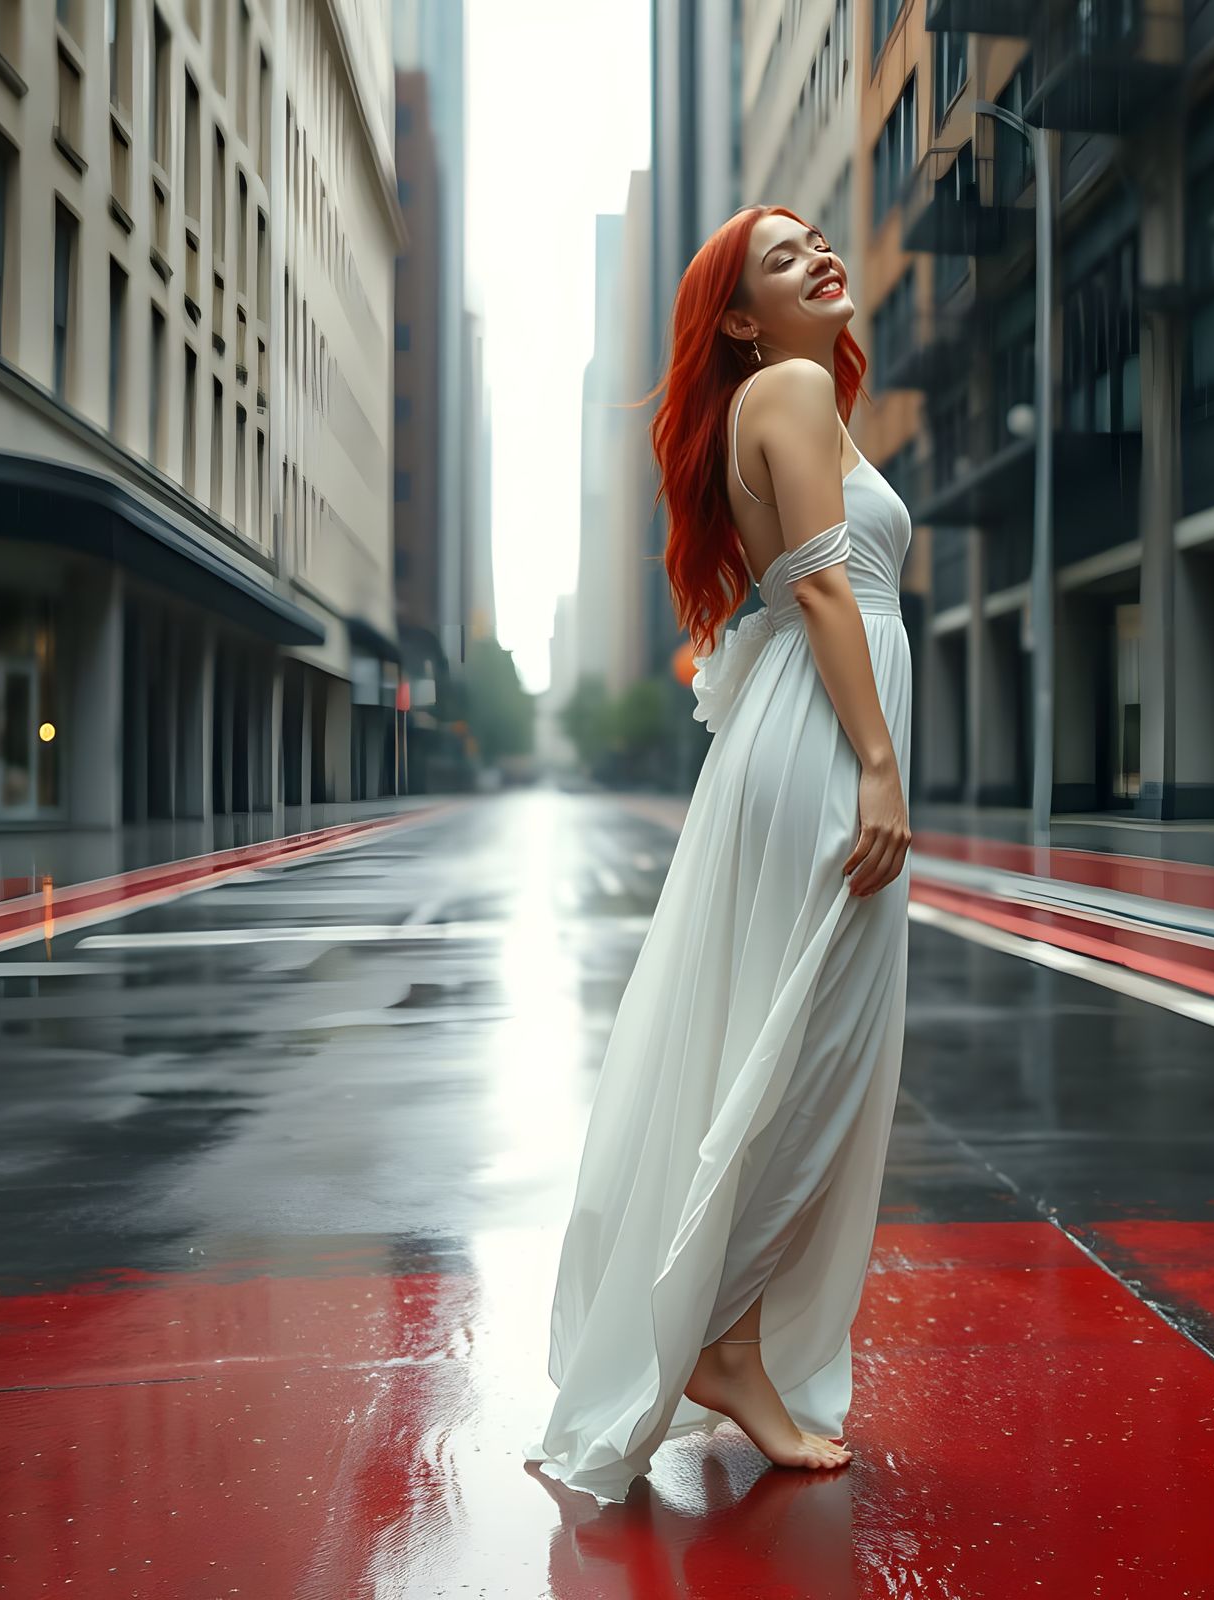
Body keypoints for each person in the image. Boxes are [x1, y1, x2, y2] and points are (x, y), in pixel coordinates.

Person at [524, 204, 913, 1502]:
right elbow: (814, 586)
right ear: (741, 318)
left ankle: (730, 1332)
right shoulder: (790, 385)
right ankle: (726, 1333)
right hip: (820, 743)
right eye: (779, 257)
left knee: (802, 1043)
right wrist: (874, 759)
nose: (817, 255)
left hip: (802, 737)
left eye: (815, 238)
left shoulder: (796, 396)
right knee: (816, 1049)